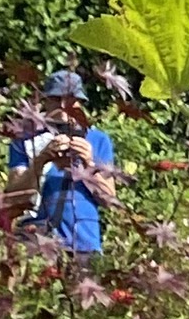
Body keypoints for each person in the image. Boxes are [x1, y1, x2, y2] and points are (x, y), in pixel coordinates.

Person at [12, 64, 117, 261]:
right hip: (37, 242)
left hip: (84, 243)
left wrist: (90, 163)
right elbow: (13, 198)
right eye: (56, 99)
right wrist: (41, 160)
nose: (63, 106)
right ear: (45, 101)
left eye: (70, 100)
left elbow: (110, 199)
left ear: (80, 103)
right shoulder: (25, 141)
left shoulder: (98, 140)